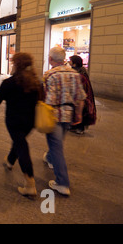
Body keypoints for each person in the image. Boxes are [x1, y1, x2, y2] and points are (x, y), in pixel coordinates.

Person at [0, 53, 40, 198]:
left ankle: (30, 184)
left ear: (16, 65)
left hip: (14, 121)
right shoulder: (35, 82)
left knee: (22, 146)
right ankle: (10, 161)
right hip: (30, 121)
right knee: (19, 141)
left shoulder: (9, 83)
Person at [43, 47, 86, 196]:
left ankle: (62, 183)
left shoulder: (49, 75)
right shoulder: (74, 74)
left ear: (51, 59)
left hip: (54, 114)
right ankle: (49, 158)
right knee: (57, 143)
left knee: (56, 147)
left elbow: (47, 99)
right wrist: (79, 115)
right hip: (68, 114)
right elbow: (81, 97)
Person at [69, 55, 97, 135]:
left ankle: (80, 128)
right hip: (77, 95)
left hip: (81, 96)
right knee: (76, 111)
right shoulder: (77, 71)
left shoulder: (79, 73)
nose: (69, 61)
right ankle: (74, 126)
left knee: (81, 111)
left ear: (74, 63)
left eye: (70, 60)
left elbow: (82, 86)